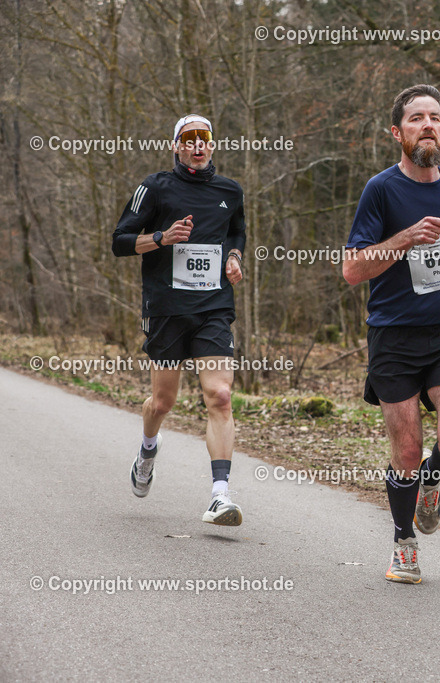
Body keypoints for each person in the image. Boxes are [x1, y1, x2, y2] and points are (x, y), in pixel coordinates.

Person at [343, 84, 440, 583]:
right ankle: (403, 543)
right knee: (406, 453)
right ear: (397, 132)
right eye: (416, 119)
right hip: (393, 335)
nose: (428, 124)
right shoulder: (381, 190)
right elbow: (351, 270)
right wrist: (406, 238)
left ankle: (432, 484)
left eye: (435, 117)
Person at [112, 114, 246, 526]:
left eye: (204, 139)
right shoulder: (154, 188)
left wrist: (235, 259)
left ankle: (219, 496)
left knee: (220, 396)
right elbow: (118, 242)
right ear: (176, 146)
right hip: (167, 310)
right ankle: (148, 449)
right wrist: (160, 238)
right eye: (188, 140)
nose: (197, 146)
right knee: (163, 402)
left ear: (213, 145)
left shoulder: (230, 190)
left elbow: (237, 233)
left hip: (213, 309)